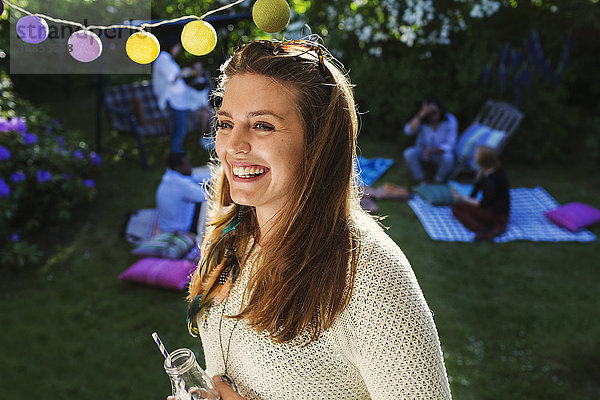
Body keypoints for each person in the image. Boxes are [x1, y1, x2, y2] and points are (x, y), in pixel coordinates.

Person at [181, 40, 452, 400]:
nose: (233, 145)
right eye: (226, 123)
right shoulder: (229, 233)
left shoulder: (370, 278)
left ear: (318, 143)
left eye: (262, 125)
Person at [152, 41, 214, 152]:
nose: (178, 50)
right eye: (177, 47)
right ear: (172, 46)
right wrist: (183, 72)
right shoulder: (163, 58)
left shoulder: (168, 60)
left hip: (180, 101)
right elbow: (172, 79)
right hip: (174, 101)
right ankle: (177, 155)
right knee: (180, 130)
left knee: (182, 129)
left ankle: (179, 153)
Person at [451, 145, 510, 241]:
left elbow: (484, 204)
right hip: (497, 210)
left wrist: (462, 198)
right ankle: (495, 225)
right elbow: (475, 190)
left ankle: (483, 230)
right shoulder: (488, 171)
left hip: (498, 214)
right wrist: (467, 201)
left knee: (457, 208)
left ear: (483, 160)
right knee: (462, 205)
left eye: (476, 155)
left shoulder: (491, 181)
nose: (474, 156)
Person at [403, 97, 458, 184]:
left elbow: (451, 144)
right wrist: (421, 114)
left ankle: (438, 181)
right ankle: (422, 180)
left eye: (434, 112)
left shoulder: (450, 120)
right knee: (408, 153)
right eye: (429, 113)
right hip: (423, 152)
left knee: (448, 158)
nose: (432, 115)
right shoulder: (423, 120)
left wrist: (434, 150)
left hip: (440, 154)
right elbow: (408, 131)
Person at [156, 152, 207, 233]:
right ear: (178, 167)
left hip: (166, 225)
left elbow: (195, 177)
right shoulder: (181, 185)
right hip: (181, 229)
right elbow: (206, 196)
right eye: (187, 164)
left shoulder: (169, 177)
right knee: (211, 202)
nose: (190, 167)